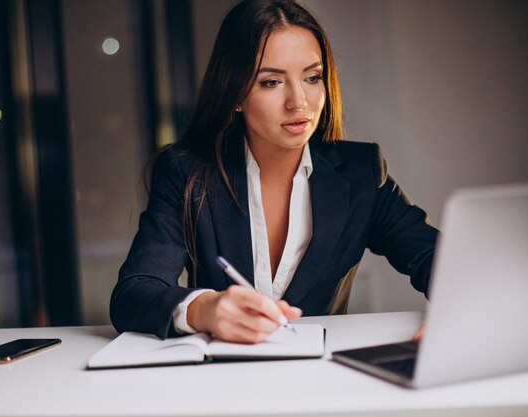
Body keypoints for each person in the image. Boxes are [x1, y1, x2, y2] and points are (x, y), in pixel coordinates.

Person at [110, 0, 438, 343]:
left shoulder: (361, 172)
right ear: (234, 92)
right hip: (220, 380)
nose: (299, 101)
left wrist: (456, 310)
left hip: (322, 379)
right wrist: (205, 309)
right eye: (271, 82)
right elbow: (133, 293)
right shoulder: (187, 172)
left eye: (312, 78)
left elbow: (433, 256)